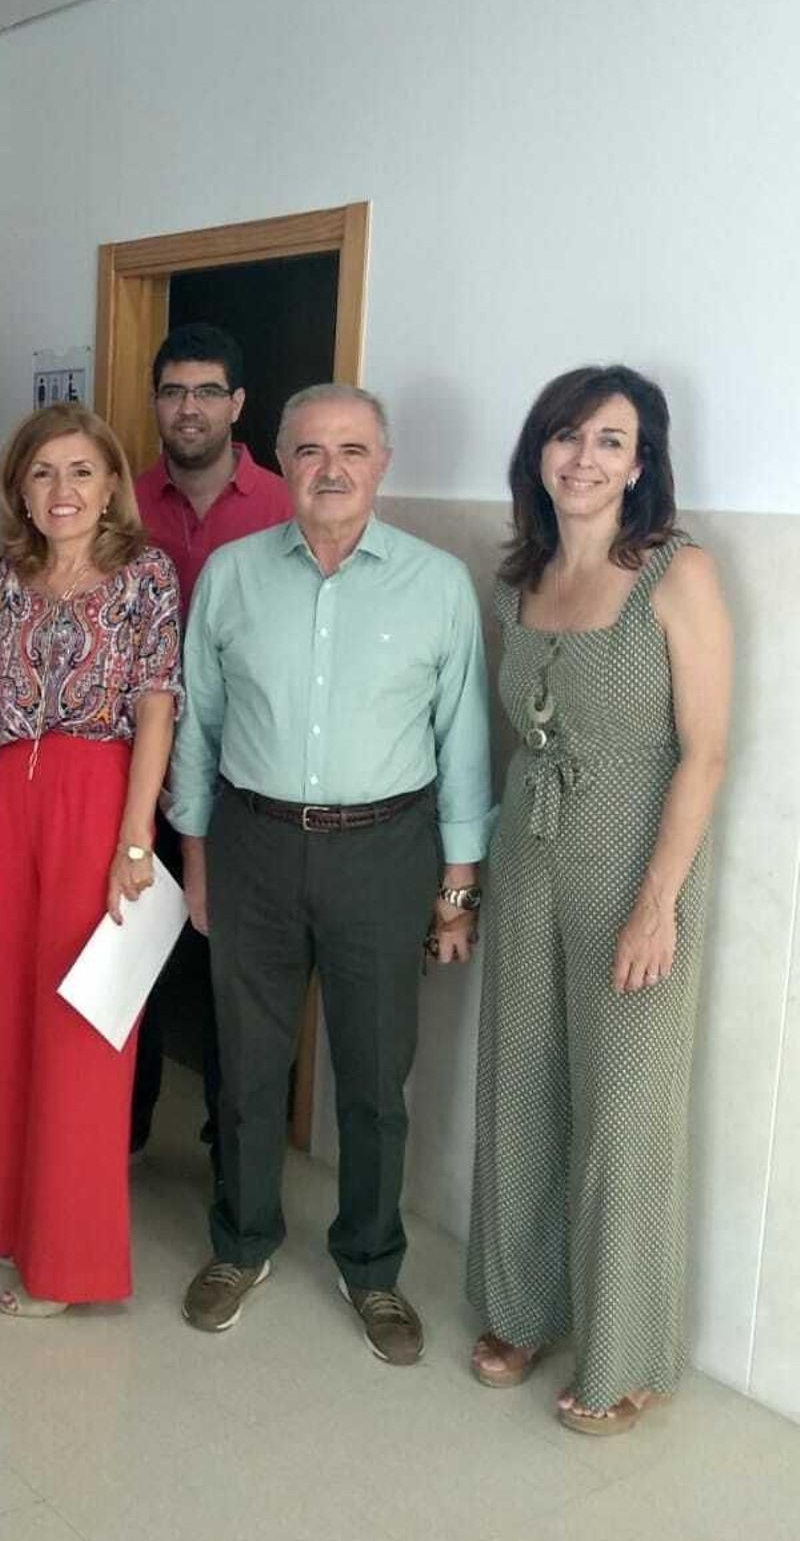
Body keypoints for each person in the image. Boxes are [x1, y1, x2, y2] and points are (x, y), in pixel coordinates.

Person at [170, 383, 491, 1357]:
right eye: (310, 451)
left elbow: (464, 739)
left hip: (385, 853)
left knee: (372, 1081)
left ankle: (371, 1268)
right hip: (253, 845)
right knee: (246, 1069)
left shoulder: (436, 584)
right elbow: (199, 724)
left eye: (353, 450)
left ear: (382, 463)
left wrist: (456, 888)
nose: (332, 469)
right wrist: (195, 860)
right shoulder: (230, 575)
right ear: (280, 462)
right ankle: (242, 1242)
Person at [467, 367, 730, 1437]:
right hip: (526, 854)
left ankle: (626, 1352)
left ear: (641, 463)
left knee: (625, 1111)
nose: (583, 458)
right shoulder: (518, 577)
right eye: (565, 437)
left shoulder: (676, 573)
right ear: (538, 450)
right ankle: (522, 1309)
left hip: (633, 861)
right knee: (521, 1087)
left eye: (609, 442)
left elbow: (706, 753)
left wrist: (657, 902)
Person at [0, 404, 181, 1317]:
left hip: (97, 800)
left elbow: (156, 707)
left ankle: (72, 1262)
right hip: (6, 800)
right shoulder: (2, 580)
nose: (63, 491)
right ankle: (19, 1227)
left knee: (84, 1032)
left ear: (110, 485)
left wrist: (134, 840)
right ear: (21, 486)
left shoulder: (145, 576)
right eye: (44, 473)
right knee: (13, 1018)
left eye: (81, 472)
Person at [129, 323, 291, 1165]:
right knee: (132, 952)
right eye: (172, 391)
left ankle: (234, 1142)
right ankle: (123, 1130)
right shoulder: (120, 501)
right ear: (155, 401)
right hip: (130, 771)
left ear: (236, 403)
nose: (187, 408)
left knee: (239, 965)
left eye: (205, 392)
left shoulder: (283, 506)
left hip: (245, 773)